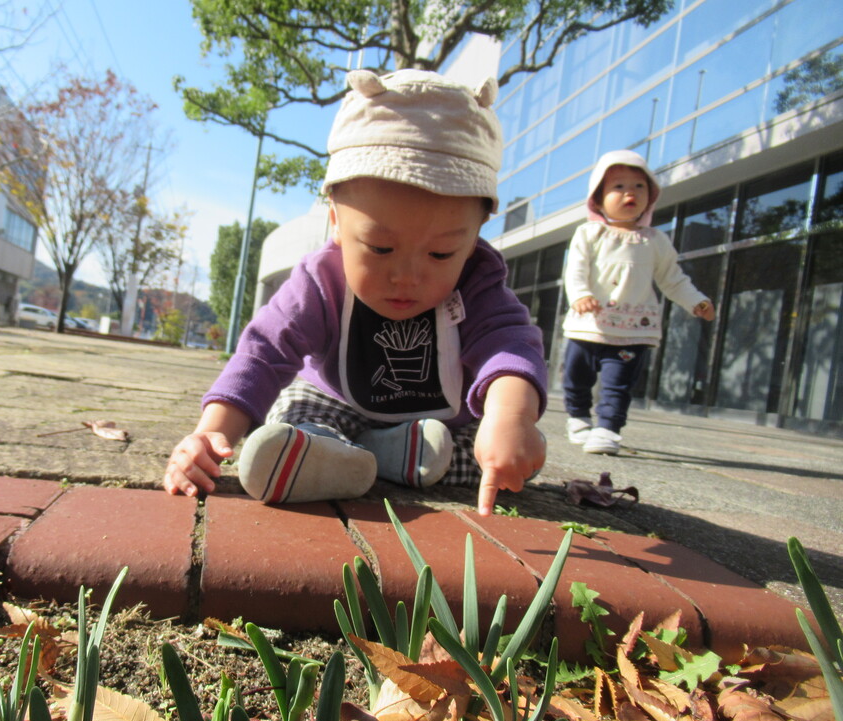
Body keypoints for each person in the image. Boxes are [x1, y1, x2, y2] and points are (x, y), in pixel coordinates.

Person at [164, 69, 547, 516]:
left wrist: (510, 417)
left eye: (441, 253)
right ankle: (357, 454)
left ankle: (364, 458)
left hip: (437, 427)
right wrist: (213, 433)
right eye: (380, 248)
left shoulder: (479, 282)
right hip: (335, 402)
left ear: (476, 234)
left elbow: (510, 345)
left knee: (511, 450)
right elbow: (264, 352)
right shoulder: (320, 281)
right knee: (290, 416)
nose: (406, 276)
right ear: (336, 222)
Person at [562, 149, 716, 455]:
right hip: (587, 327)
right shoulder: (589, 233)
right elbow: (575, 270)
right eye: (618, 186)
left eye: (638, 186)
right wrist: (580, 295)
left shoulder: (656, 240)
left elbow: (673, 278)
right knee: (575, 377)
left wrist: (696, 301)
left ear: (651, 196)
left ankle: (608, 429)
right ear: (598, 197)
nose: (629, 192)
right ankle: (578, 418)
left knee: (617, 385)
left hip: (633, 330)